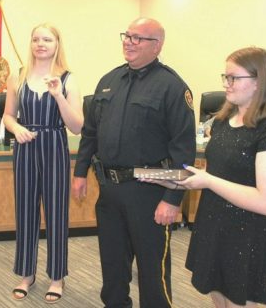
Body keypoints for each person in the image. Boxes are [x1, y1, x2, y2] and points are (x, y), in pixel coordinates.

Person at [156, 47, 266, 307]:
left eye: (234, 78)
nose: (226, 84)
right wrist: (181, 179)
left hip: (248, 231)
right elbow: (220, 174)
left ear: (259, 82)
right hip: (215, 221)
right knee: (218, 296)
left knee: (237, 301)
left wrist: (207, 181)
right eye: (225, 77)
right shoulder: (223, 121)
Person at [72, 17, 196, 308]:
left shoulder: (172, 87)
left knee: (153, 268)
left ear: (157, 45)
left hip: (149, 191)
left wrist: (172, 199)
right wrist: (80, 173)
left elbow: (183, 150)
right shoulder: (108, 81)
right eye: (127, 36)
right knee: (112, 262)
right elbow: (90, 133)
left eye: (138, 38)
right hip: (110, 190)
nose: (129, 42)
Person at [3, 23, 83, 303]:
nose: (40, 44)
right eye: (36, 39)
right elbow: (8, 116)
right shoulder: (19, 75)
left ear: (57, 44)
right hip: (25, 148)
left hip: (54, 146)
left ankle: (57, 277)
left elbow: (77, 126)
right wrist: (16, 129)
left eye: (47, 39)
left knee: (56, 213)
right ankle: (26, 274)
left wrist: (58, 95)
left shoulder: (68, 79)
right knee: (25, 212)